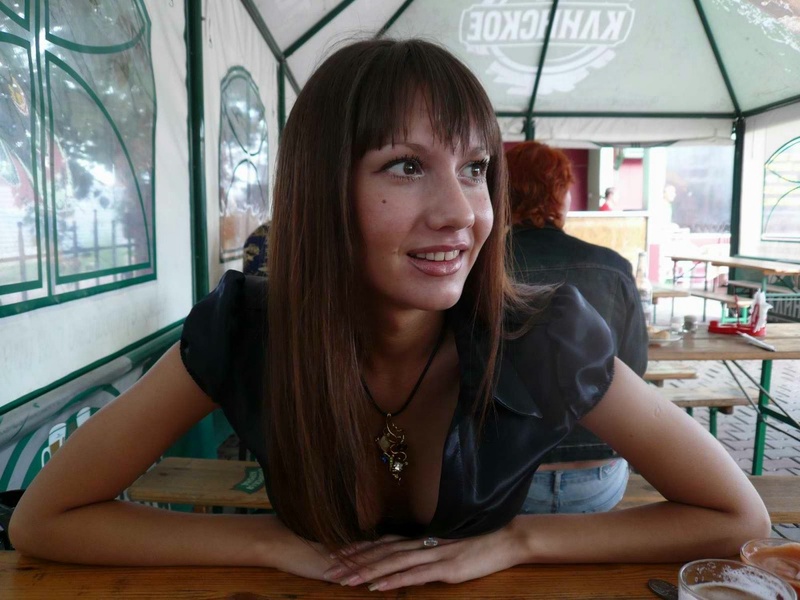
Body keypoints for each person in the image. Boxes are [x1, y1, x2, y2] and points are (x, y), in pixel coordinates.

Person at [10, 39, 769, 591]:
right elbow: (45, 520)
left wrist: (516, 541)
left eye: (474, 168)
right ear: (322, 191)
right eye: (406, 166)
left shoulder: (543, 337)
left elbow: (737, 518)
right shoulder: (245, 328)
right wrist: (268, 544)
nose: (462, 212)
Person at [506, 141, 648, 515]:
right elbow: (634, 370)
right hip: (598, 477)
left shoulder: (476, 267)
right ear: (561, 197)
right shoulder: (612, 266)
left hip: (505, 478)